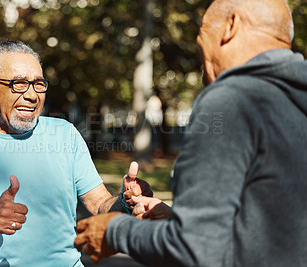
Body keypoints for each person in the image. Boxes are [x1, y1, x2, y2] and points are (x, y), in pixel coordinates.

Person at [74, 0, 307, 266]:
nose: (202, 69)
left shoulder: (230, 100)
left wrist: (114, 231)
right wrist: (175, 221)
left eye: (202, 38)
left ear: (231, 26)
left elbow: (195, 248)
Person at [0, 40, 151, 266]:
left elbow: (100, 204)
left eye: (38, 84)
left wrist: (127, 201)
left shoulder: (65, 134)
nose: (32, 95)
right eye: (18, 84)